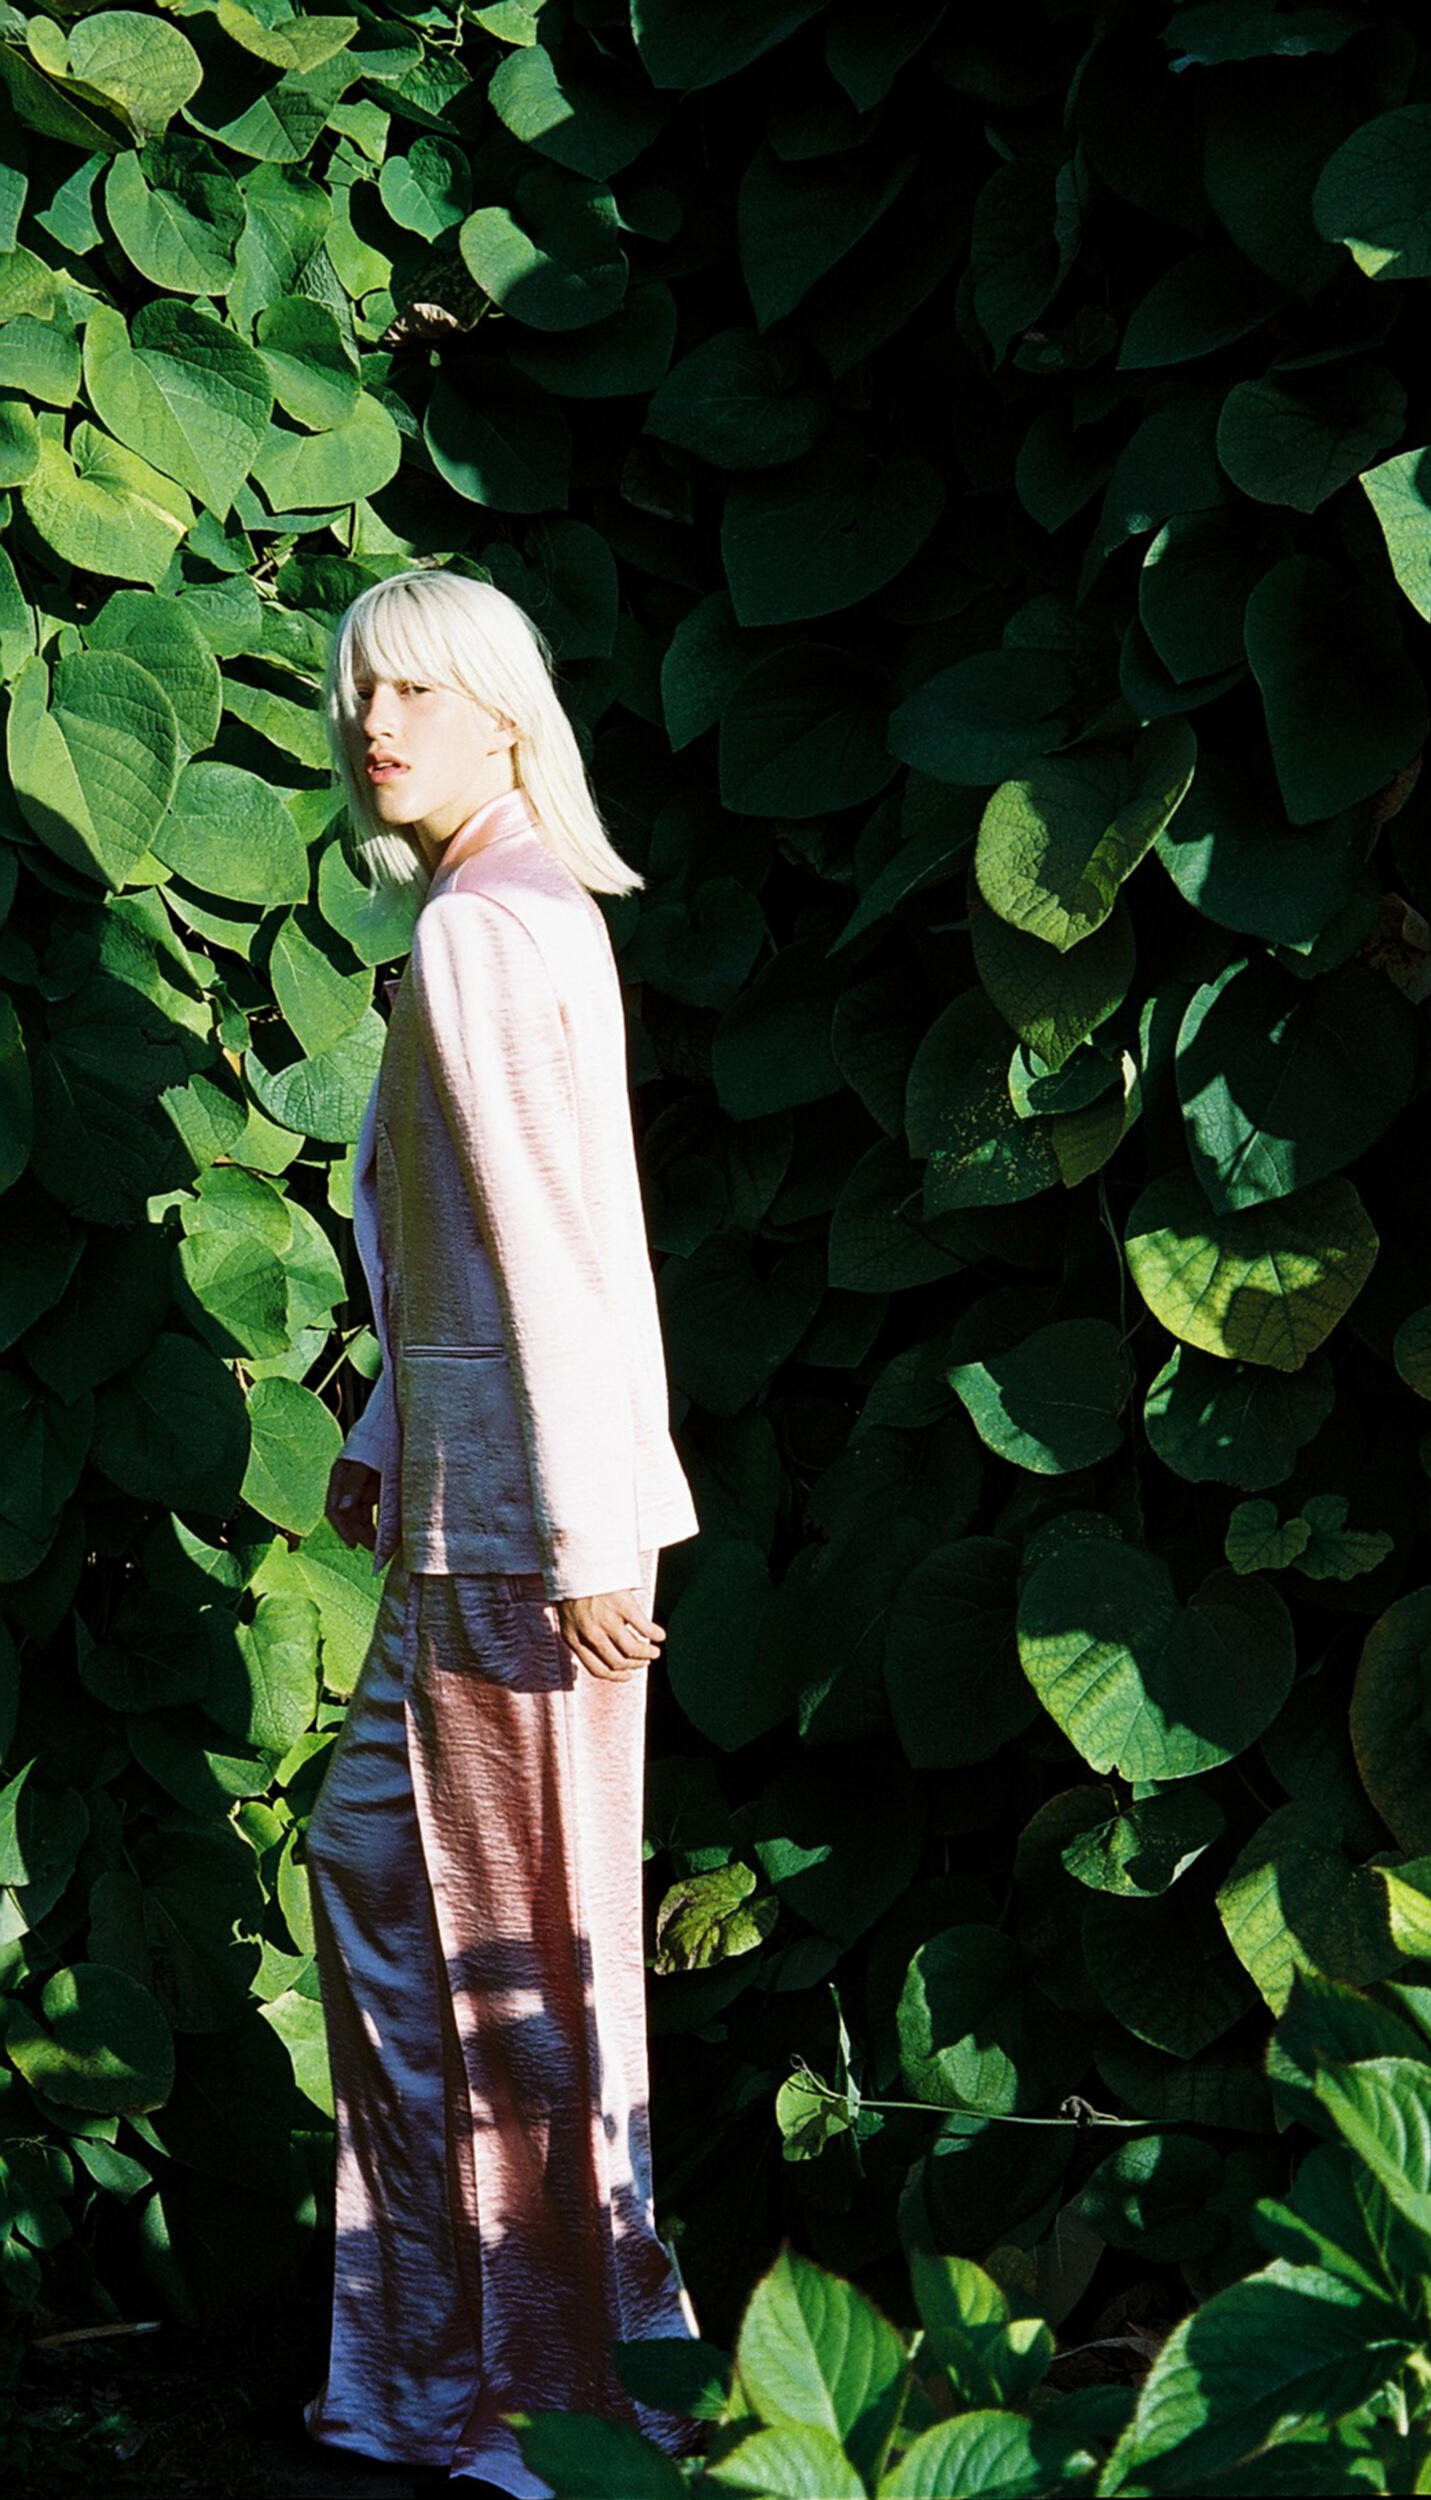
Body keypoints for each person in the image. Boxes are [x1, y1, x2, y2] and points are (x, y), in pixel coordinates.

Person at [300, 567, 701, 2496]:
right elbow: (497, 1248)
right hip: (491, 1504)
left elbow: (558, 1246)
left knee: (514, 1963)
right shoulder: (519, 904)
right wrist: (388, 1427)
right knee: (398, 1882)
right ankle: (455, 2373)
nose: (377, 724)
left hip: (526, 1538)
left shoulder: (482, 928)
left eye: (419, 692)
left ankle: (548, 2409)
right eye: (362, 694)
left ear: (504, 714)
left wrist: (595, 1533)